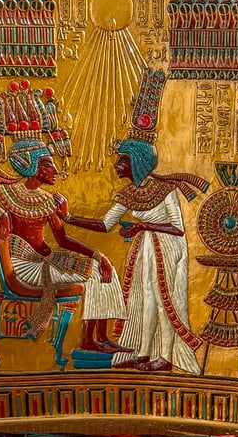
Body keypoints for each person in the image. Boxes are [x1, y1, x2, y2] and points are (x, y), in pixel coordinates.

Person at [0, 137, 130, 352]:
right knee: (96, 275)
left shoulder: (48, 200)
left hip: (46, 260)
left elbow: (63, 239)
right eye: (48, 164)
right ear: (32, 165)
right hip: (24, 267)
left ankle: (101, 338)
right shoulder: (8, 191)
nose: (55, 170)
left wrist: (98, 256)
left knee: (105, 269)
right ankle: (89, 340)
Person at [62, 139, 207, 373]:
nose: (117, 165)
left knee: (163, 300)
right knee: (145, 300)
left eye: (123, 160)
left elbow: (178, 227)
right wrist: (68, 218)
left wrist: (142, 226)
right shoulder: (129, 192)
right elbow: (105, 224)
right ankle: (143, 353)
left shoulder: (165, 189)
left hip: (169, 247)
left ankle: (166, 356)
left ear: (137, 162)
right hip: (146, 247)